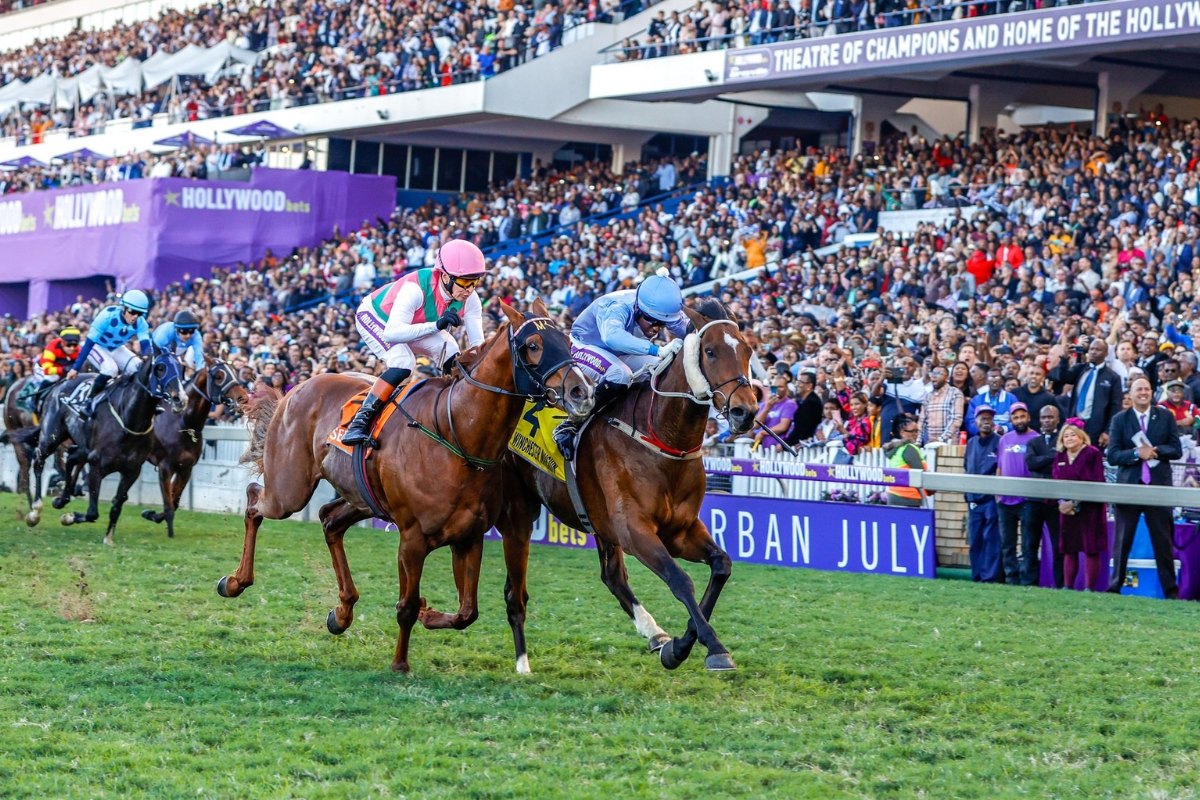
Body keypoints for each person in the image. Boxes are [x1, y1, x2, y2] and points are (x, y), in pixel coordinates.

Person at [343, 239, 489, 446]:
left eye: (475, 281)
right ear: (445, 276)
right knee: (404, 362)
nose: (470, 289)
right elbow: (393, 333)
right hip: (377, 317)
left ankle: (452, 409)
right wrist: (437, 325)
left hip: (413, 324)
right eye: (465, 282)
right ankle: (359, 422)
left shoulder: (471, 299)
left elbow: (478, 346)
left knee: (451, 350)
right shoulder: (415, 288)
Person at [554, 270, 690, 457]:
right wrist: (657, 350)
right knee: (621, 374)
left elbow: (692, 330)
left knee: (662, 368)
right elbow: (612, 337)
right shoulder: (618, 306)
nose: (656, 329)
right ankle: (570, 425)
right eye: (652, 322)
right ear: (638, 310)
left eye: (662, 324)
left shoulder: (661, 310)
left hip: (618, 352)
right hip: (583, 346)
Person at [1105, 375, 1183, 598]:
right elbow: (1112, 455)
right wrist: (1136, 453)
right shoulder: (1120, 419)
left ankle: (1170, 592)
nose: (1143, 393)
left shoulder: (1165, 416)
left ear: (1152, 392)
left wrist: (1155, 450)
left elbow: (1176, 449)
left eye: (1147, 389)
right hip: (1130, 488)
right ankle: (1114, 588)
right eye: (1139, 389)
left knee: (1163, 542)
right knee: (1122, 540)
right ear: (1130, 394)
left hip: (1158, 489)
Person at [66, 289, 153, 417]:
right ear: (123, 307)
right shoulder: (106, 315)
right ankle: (88, 402)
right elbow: (89, 343)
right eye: (132, 312)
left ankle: (138, 402)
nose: (135, 316)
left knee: (139, 368)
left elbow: (145, 344)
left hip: (115, 348)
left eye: (140, 313)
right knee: (110, 369)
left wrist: (147, 356)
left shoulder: (141, 323)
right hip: (96, 346)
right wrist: (76, 368)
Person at [1053, 419, 1106, 591]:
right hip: (1066, 511)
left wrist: (1075, 502)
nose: (1069, 438)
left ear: (1081, 437)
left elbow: (1097, 479)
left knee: (1090, 548)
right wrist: (1062, 502)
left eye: (1073, 435)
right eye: (1065, 435)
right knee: (1070, 548)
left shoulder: (1093, 453)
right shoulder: (1060, 456)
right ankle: (1068, 587)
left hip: (1090, 509)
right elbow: (1055, 480)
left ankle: (1089, 588)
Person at [1049, 336, 1122, 448]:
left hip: (1096, 428)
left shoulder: (1113, 377)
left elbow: (1115, 407)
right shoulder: (1080, 369)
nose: (1093, 352)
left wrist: (1107, 431)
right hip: (1075, 423)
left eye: (1098, 350)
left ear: (1106, 353)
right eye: (1091, 349)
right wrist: (1064, 359)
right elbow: (1063, 377)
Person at [995, 402, 1039, 586]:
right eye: (1015, 417)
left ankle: (1028, 580)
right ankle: (1011, 578)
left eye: (1022, 416)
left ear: (1028, 417)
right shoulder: (1004, 439)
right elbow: (999, 466)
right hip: (1005, 500)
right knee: (1007, 543)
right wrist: (997, 494)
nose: (1019, 420)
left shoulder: (1036, 438)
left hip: (1027, 499)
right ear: (1011, 419)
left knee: (1028, 544)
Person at [1023, 403, 1064, 588]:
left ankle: (1060, 583)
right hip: (1034, 498)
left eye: (1050, 417)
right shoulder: (1033, 441)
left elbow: (1061, 465)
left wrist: (1045, 460)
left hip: (1055, 500)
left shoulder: (1062, 440)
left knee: (1058, 545)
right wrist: (1051, 457)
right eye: (1044, 417)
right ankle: (1029, 582)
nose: (1047, 420)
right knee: (1030, 543)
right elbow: (1031, 463)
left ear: (1057, 419)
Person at [964, 405, 1001, 582]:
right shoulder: (971, 443)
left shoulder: (1000, 441)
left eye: (989, 419)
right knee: (976, 539)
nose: (986, 422)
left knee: (991, 539)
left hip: (991, 499)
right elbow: (967, 468)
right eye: (983, 419)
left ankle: (990, 576)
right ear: (976, 422)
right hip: (973, 498)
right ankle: (977, 576)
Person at [884, 414, 926, 507]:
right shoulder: (909, 448)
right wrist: (932, 489)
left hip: (894, 495)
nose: (915, 434)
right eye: (912, 431)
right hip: (909, 497)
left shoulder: (896, 448)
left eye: (917, 431)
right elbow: (921, 473)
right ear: (902, 432)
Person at [918, 364, 964, 445]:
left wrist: (940, 440)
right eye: (932, 374)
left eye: (939, 374)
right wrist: (918, 442)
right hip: (929, 444)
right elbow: (922, 421)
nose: (934, 376)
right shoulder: (928, 396)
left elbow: (956, 420)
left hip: (949, 445)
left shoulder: (955, 393)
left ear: (947, 378)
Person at [753, 372, 796, 450]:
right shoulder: (764, 405)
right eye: (774, 387)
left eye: (780, 387)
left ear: (786, 388)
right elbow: (756, 425)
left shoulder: (789, 404)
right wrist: (767, 408)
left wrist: (763, 433)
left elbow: (783, 427)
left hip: (779, 447)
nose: (777, 389)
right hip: (765, 447)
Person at [966, 368, 1014, 436]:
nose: (994, 380)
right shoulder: (976, 400)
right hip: (982, 438)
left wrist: (1005, 428)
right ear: (986, 381)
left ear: (1002, 381)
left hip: (1007, 438)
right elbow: (969, 422)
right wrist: (984, 431)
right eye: (991, 377)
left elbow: (1017, 420)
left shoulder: (1011, 399)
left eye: (997, 377)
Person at [34, 327, 82, 395]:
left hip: (63, 369)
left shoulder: (78, 349)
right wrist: (65, 369)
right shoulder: (51, 348)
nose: (72, 348)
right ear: (62, 342)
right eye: (69, 345)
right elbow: (47, 370)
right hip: (43, 369)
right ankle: (35, 398)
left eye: (75, 345)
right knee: (52, 378)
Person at [785, 370, 824, 445]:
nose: (797, 385)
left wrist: (786, 444)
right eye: (797, 382)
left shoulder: (811, 403)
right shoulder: (808, 401)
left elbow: (802, 429)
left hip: (802, 446)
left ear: (809, 386)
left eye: (800, 382)